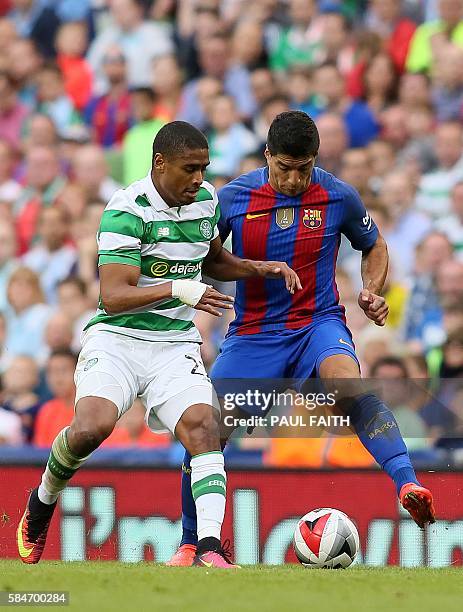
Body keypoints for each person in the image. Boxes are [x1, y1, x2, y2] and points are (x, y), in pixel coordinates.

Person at [16, 120, 300, 568]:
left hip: (173, 344)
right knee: (91, 428)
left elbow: (210, 260)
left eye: (204, 168)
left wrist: (256, 268)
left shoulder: (204, 202)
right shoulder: (126, 210)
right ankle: (44, 498)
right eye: (190, 168)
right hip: (118, 339)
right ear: (160, 162)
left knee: (205, 430)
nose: (199, 179)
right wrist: (177, 290)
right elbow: (113, 294)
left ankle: (209, 547)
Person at [168, 111, 436, 567]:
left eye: (304, 168)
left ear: (315, 160)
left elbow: (373, 245)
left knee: (346, 385)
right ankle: (193, 544)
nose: (294, 179)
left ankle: (407, 483)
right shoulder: (233, 198)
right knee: (205, 428)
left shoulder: (337, 195)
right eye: (284, 168)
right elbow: (209, 260)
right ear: (267, 155)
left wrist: (372, 289)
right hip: (254, 334)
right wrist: (256, 269)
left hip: (317, 323)